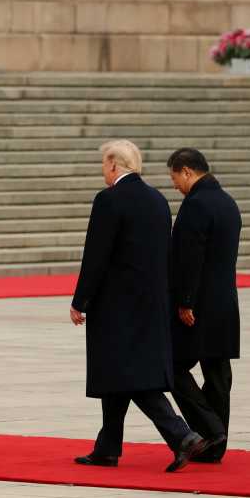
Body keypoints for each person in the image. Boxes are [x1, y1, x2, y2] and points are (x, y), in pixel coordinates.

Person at [70, 140, 208, 472]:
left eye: (103, 164)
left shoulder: (108, 200)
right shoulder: (158, 200)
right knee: (118, 373)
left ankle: (182, 435)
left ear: (114, 165)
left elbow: (97, 256)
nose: (103, 170)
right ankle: (107, 447)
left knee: (127, 375)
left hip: (116, 307)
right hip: (150, 304)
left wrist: (81, 300)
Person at [167, 147, 241, 463]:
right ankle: (215, 446)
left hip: (198, 307)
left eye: (174, 178)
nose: (174, 186)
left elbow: (190, 258)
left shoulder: (196, 205)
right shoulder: (227, 203)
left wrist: (184, 301)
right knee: (218, 373)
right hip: (225, 303)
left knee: (171, 368)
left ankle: (208, 429)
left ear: (187, 171)